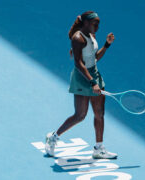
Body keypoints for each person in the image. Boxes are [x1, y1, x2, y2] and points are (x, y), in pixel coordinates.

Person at [45, 11, 117, 159]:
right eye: (94, 23)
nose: (97, 26)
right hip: (82, 78)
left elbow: (95, 58)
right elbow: (78, 64)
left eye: (98, 24)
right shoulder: (77, 38)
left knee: (99, 114)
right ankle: (53, 137)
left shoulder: (92, 36)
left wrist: (107, 45)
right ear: (85, 23)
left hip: (94, 76)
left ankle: (98, 148)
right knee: (80, 115)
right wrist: (92, 82)